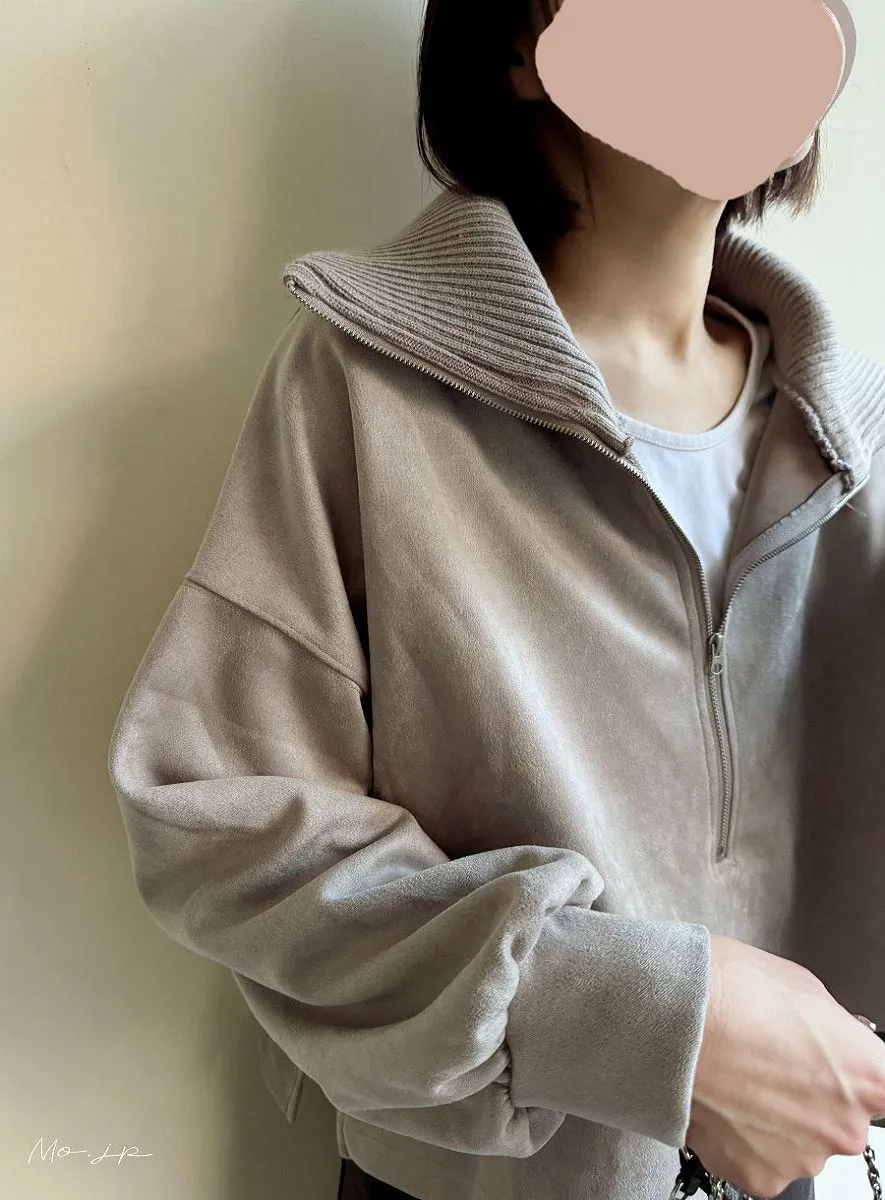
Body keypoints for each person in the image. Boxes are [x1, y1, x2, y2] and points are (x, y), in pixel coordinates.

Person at [107, 1, 885, 1199]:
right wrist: (650, 1018)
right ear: (528, 46)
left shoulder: (849, 440)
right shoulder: (365, 387)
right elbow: (216, 820)